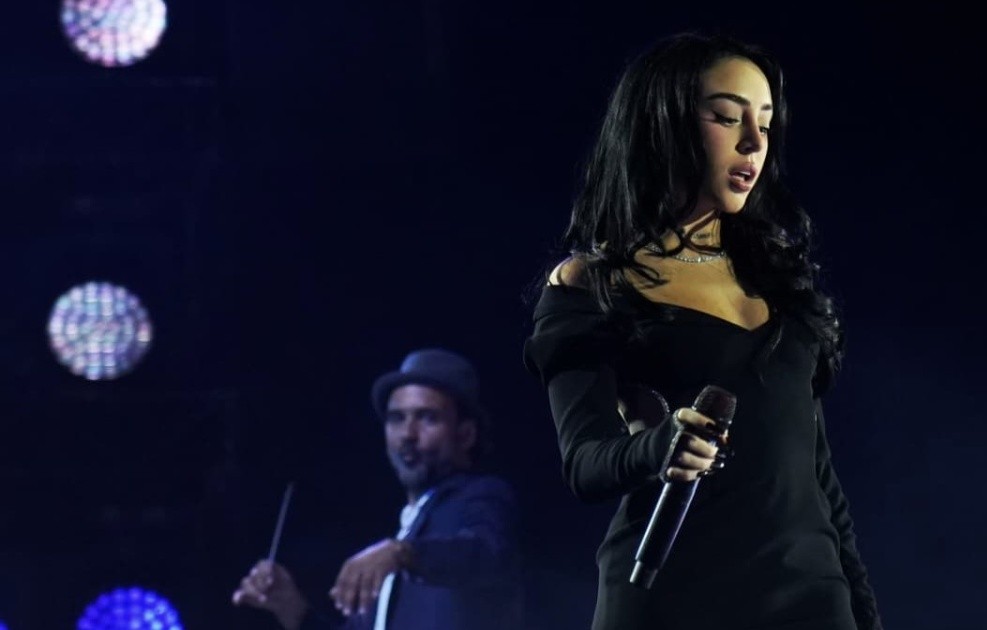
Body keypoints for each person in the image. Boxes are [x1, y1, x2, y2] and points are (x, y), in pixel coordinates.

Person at [523, 33, 883, 630]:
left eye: (765, 123)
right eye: (726, 116)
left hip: (809, 602)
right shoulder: (595, 284)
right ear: (662, 124)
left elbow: (818, 480)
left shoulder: (779, 281)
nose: (754, 143)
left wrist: (864, 616)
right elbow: (585, 463)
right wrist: (660, 446)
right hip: (673, 598)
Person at [232, 348, 522, 630]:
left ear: (465, 435)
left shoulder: (482, 495)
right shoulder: (406, 536)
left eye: (427, 418)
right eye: (397, 418)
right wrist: (293, 610)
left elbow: (486, 552)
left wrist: (402, 553)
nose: (407, 434)